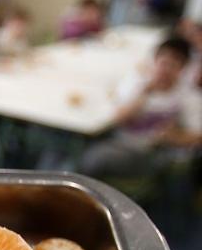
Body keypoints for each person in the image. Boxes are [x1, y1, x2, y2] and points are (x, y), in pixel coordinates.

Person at [82, 37, 193, 177]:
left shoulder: (184, 95)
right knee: (77, 146)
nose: (165, 70)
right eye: (163, 63)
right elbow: (118, 118)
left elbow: (194, 134)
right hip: (118, 140)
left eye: (173, 65)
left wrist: (173, 136)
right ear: (155, 60)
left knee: (94, 158)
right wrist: (145, 92)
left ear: (182, 68)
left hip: (146, 153)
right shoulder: (138, 82)